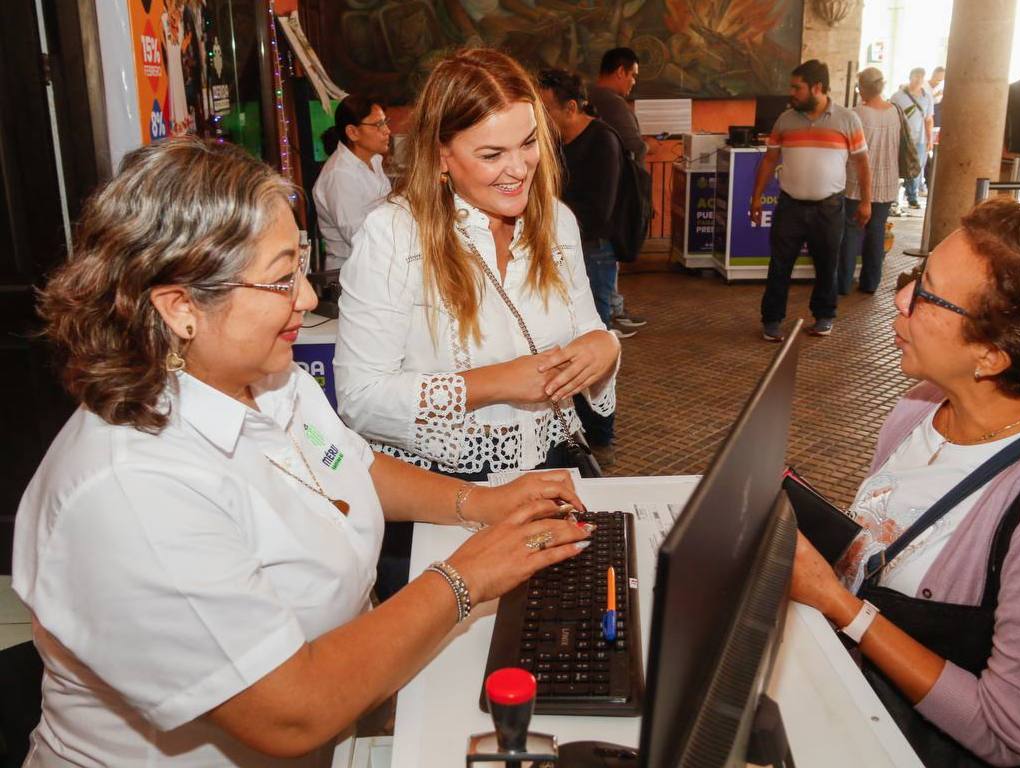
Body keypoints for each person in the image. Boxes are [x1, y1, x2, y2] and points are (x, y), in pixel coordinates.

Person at [14, 137, 594, 766]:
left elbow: (352, 466)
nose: (309, 300)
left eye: (301, 267)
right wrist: (466, 577)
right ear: (181, 307)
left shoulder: (267, 378)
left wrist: (479, 504)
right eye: (280, 279)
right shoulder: (132, 488)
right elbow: (291, 712)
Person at [791, 197, 1020, 765]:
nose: (900, 299)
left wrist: (840, 606)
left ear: (992, 355)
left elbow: (1010, 733)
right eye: (913, 276)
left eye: (926, 292)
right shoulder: (918, 409)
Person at [335, 48, 620, 480]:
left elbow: (585, 327)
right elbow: (361, 399)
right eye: (491, 155)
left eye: (528, 144)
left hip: (549, 466)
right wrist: (498, 382)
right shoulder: (394, 232)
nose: (519, 169)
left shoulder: (557, 221)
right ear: (441, 154)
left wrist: (605, 346)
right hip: (439, 482)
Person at [538, 67, 624, 467]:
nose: (539, 118)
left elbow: (600, 211)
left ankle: (601, 437)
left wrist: (549, 220)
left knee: (592, 345)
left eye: (545, 109)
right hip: (558, 248)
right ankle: (577, 431)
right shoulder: (555, 142)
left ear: (570, 107)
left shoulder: (602, 141)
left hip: (593, 252)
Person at [750, 59, 871, 342]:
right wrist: (755, 199)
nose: (791, 93)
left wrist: (866, 201)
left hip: (829, 208)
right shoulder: (785, 120)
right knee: (780, 265)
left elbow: (862, 163)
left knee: (828, 264)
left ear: (817, 87)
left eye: (797, 87)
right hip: (789, 206)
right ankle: (771, 321)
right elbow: (769, 161)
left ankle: (824, 317)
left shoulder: (847, 120)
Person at [588, 46, 649, 335]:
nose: (633, 83)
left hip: (604, 191)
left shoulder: (594, 97)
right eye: (632, 76)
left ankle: (614, 308)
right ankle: (607, 319)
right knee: (605, 256)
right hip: (616, 193)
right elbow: (634, 145)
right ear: (620, 71)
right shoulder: (610, 101)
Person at [313, 95, 393, 270]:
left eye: (386, 122)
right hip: (353, 272)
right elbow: (358, 236)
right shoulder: (339, 175)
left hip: (379, 264)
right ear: (352, 132)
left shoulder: (374, 160)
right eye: (378, 125)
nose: (387, 130)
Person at [838, 68, 899, 296]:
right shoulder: (894, 111)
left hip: (856, 181)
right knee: (876, 232)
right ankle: (870, 283)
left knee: (851, 231)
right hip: (887, 181)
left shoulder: (856, 114)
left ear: (862, 88)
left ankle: (842, 283)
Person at [890, 67, 934, 209]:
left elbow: (929, 119)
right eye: (916, 77)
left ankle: (912, 196)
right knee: (897, 165)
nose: (918, 80)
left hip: (919, 138)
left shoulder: (927, 97)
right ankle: (893, 196)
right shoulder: (898, 96)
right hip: (901, 137)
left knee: (915, 167)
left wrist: (930, 138)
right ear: (910, 77)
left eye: (921, 77)